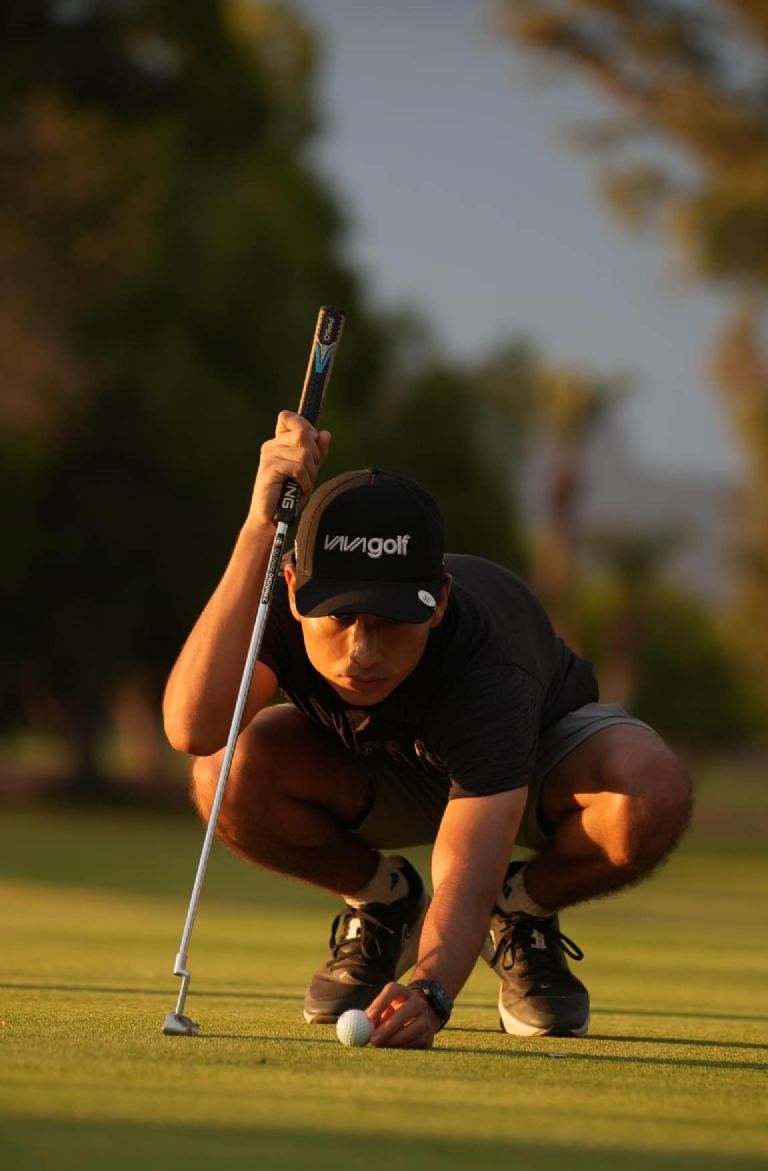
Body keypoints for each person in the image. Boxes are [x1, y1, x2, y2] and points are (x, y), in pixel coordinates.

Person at [163, 411, 692, 1049]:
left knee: (649, 787)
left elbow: (466, 862)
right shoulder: (278, 606)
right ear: (296, 588)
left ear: (438, 600)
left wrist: (433, 987)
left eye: (390, 621)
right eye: (340, 617)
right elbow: (193, 727)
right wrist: (257, 527)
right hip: (371, 771)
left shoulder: (487, 664)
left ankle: (521, 909)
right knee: (223, 770)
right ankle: (384, 901)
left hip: (530, 766)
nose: (361, 650)